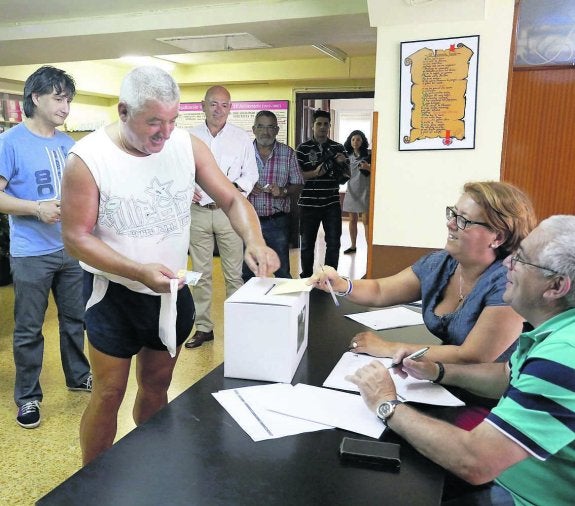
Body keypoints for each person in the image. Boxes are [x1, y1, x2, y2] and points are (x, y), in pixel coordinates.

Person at [60, 66, 279, 464]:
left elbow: (231, 199)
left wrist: (255, 241)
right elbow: (76, 238)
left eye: (173, 119)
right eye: (154, 122)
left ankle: (152, 468)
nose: (165, 132)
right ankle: (91, 485)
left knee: (158, 385)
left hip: (171, 291)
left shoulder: (187, 146)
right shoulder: (87, 158)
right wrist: (137, 271)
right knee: (109, 392)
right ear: (124, 111)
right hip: (115, 295)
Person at [347, 215, 575, 505]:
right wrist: (438, 371)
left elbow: (475, 461)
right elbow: (506, 376)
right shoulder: (553, 330)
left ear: (556, 286)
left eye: (522, 260)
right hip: (508, 481)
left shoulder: (564, 355)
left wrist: (387, 404)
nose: (507, 264)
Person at [310, 181, 537, 365]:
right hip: (447, 377)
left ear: (497, 237)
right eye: (452, 214)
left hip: (497, 395)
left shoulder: (510, 282)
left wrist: (390, 348)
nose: (450, 224)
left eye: (464, 220)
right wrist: (341, 284)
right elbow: (380, 290)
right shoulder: (441, 263)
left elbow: (472, 356)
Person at [0, 66, 92, 430]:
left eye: (68, 99)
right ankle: (28, 397)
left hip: (69, 250)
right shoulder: (10, 142)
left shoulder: (69, 145)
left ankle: (78, 375)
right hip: (30, 253)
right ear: (35, 98)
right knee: (28, 329)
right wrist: (36, 208)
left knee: (76, 319)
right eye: (58, 98)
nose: (65, 107)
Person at [185, 85, 259, 349]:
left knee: (233, 274)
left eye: (224, 105)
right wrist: (186, 187)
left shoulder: (241, 138)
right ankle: (204, 328)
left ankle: (238, 328)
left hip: (229, 213)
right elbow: (176, 170)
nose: (219, 110)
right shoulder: (188, 137)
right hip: (198, 213)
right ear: (202, 105)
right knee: (200, 274)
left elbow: (250, 175)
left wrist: (232, 192)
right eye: (213, 104)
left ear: (231, 108)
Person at [242, 110, 304, 281]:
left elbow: (298, 183)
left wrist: (283, 191)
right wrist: (245, 186)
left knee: (282, 271)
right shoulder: (243, 152)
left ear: (277, 130)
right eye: (261, 126)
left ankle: (284, 307)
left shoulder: (288, 153)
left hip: (277, 222)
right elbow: (229, 180)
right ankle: (251, 306)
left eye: (270, 127)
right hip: (248, 222)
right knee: (248, 271)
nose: (265, 132)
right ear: (254, 129)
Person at [296, 109, 349, 278]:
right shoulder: (303, 148)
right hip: (308, 204)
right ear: (313, 126)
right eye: (319, 124)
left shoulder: (338, 147)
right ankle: (306, 277)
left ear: (330, 126)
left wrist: (342, 163)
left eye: (326, 124)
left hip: (331, 203)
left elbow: (347, 176)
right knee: (306, 244)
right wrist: (315, 173)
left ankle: (330, 278)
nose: (322, 127)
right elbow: (297, 176)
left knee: (333, 243)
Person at [342, 130, 371, 254]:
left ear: (362, 141)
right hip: (351, 190)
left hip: (365, 190)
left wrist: (369, 167)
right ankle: (353, 246)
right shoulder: (347, 156)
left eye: (358, 139)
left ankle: (370, 248)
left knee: (366, 221)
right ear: (350, 141)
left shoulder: (369, 155)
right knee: (352, 219)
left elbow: (379, 171)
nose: (355, 142)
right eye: (353, 139)